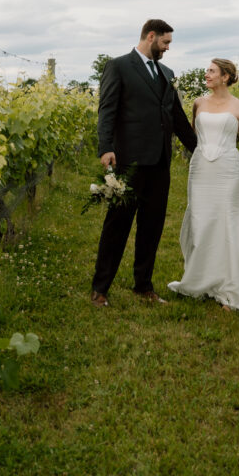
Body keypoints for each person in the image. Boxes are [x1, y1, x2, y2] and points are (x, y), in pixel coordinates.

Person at [91, 19, 197, 306]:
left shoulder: (167, 72)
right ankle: (100, 288)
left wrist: (201, 149)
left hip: (160, 163)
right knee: (117, 225)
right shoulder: (119, 66)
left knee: (152, 227)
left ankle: (143, 285)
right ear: (151, 36)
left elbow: (176, 117)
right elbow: (107, 109)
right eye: (165, 43)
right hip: (129, 162)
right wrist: (106, 147)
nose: (167, 49)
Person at [168, 58, 239, 312]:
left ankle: (230, 287)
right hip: (201, 170)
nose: (206, 74)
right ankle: (201, 278)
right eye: (206, 70)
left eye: (211, 71)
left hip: (227, 171)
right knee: (201, 221)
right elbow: (196, 138)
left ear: (226, 77)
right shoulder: (198, 103)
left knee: (228, 224)